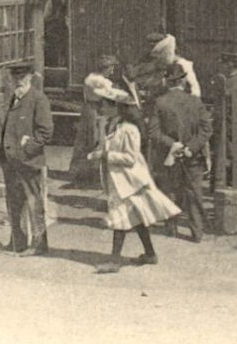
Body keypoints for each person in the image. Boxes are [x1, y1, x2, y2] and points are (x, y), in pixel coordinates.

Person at [88, 83, 181, 270]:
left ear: (116, 107)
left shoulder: (130, 129)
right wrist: (98, 149)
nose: (101, 108)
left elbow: (130, 158)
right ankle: (150, 254)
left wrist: (105, 156)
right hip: (118, 179)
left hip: (130, 181)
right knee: (136, 218)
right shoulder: (108, 125)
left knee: (120, 217)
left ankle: (114, 261)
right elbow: (105, 146)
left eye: (105, 105)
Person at [145, 62, 212, 242]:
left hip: (169, 155)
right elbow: (206, 129)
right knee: (194, 191)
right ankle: (197, 233)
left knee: (169, 189)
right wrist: (191, 147)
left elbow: (153, 132)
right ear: (183, 81)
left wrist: (173, 145)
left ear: (167, 82)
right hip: (193, 156)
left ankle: (171, 227)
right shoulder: (195, 101)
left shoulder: (159, 103)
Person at [0, 60, 55, 256]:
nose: (18, 80)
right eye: (15, 77)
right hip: (11, 161)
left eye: (22, 77)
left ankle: (39, 244)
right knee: (14, 202)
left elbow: (45, 132)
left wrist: (26, 150)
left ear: (30, 77)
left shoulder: (38, 99)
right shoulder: (13, 98)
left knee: (33, 202)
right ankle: (17, 241)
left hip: (29, 161)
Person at [69, 56, 122, 189]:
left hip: (88, 110)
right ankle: (90, 176)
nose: (112, 70)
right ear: (105, 68)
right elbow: (113, 95)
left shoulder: (91, 77)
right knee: (95, 141)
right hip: (95, 111)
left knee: (83, 142)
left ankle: (79, 174)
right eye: (111, 68)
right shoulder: (101, 81)